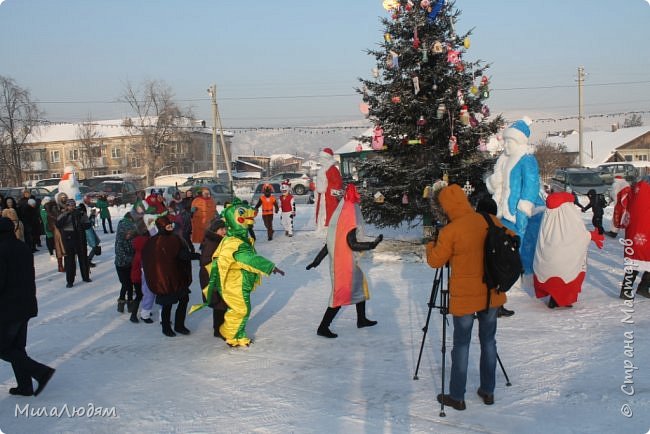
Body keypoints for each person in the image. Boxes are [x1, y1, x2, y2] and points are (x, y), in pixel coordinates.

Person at [425, 184, 508, 410]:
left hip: (464, 298)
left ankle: (457, 397)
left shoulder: (451, 231)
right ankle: (488, 391)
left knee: (461, 344)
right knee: (489, 341)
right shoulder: (489, 220)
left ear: (445, 208)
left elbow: (435, 261)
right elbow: (510, 240)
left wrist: (431, 242)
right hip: (492, 294)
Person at [191, 198, 284, 347]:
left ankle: (237, 335)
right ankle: (228, 333)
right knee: (240, 310)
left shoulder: (236, 239)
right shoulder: (234, 242)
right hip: (234, 283)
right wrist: (270, 267)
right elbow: (248, 259)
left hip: (238, 281)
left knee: (241, 310)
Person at [306, 184, 383, 338]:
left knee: (359, 289)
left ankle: (361, 319)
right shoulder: (349, 219)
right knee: (341, 294)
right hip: (344, 266)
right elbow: (352, 244)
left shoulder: (339, 219)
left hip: (348, 264)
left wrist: (317, 260)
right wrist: (372, 244)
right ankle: (323, 327)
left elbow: (330, 244)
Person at [0, 217, 56, 397]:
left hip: (8, 309)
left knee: (4, 348)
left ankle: (40, 372)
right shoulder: (22, 247)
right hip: (25, 304)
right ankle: (25, 386)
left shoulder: (2, 250)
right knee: (16, 347)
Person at [534, 192, 603, 308]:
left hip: (546, 261)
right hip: (564, 262)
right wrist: (591, 236)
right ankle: (560, 299)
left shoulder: (548, 215)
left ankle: (554, 297)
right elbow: (577, 236)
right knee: (568, 272)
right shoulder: (568, 215)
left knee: (554, 274)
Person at [485, 117, 540, 239]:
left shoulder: (527, 159)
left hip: (518, 214)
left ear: (518, 142)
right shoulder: (505, 159)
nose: (505, 145)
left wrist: (523, 210)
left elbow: (531, 186)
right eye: (505, 141)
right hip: (503, 213)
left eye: (509, 142)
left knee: (520, 245)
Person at [142, 216, 193, 337]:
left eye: (171, 226)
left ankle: (179, 325)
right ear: (161, 227)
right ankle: (166, 327)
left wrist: (191, 255)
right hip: (164, 279)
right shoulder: (153, 242)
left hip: (178, 277)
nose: (171, 229)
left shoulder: (175, 239)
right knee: (167, 304)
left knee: (184, 299)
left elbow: (181, 254)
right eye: (168, 227)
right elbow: (150, 261)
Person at [475, 196, 515, 318]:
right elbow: (511, 235)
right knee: (495, 280)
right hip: (493, 261)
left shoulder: (473, 221)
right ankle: (498, 307)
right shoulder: (495, 222)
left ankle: (477, 308)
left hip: (476, 263)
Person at [620, 179, 650, 300]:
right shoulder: (645, 197)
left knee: (634, 262)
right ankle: (639, 287)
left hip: (634, 236)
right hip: (643, 236)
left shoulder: (633, 196)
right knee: (639, 261)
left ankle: (630, 289)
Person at [198, 218, 228, 336]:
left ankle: (220, 327)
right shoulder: (213, 242)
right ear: (215, 230)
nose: (224, 231)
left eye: (225, 228)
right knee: (219, 303)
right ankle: (218, 329)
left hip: (217, 275)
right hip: (212, 276)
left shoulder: (218, 240)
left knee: (221, 303)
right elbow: (205, 261)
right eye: (222, 229)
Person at [56, 199, 92, 287]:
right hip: (69, 239)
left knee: (83, 258)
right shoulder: (63, 214)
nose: (71, 207)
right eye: (70, 205)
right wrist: (66, 215)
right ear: (67, 206)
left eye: (73, 205)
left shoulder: (81, 213)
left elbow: (88, 224)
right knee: (69, 261)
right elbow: (58, 224)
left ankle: (86, 276)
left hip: (80, 238)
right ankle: (70, 281)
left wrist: (81, 224)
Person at [315, 147, 343, 231]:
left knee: (331, 212)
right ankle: (322, 226)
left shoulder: (333, 169)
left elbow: (338, 184)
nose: (320, 160)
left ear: (327, 158)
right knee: (323, 211)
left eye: (322, 158)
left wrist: (333, 195)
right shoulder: (323, 169)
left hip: (330, 197)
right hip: (323, 196)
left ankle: (330, 228)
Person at [114, 211, 137, 312]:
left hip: (130, 265)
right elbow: (120, 254)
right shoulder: (120, 241)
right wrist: (132, 259)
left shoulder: (132, 239)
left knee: (129, 283)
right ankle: (123, 301)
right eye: (128, 233)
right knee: (126, 283)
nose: (129, 235)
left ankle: (128, 301)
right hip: (121, 265)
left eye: (131, 233)